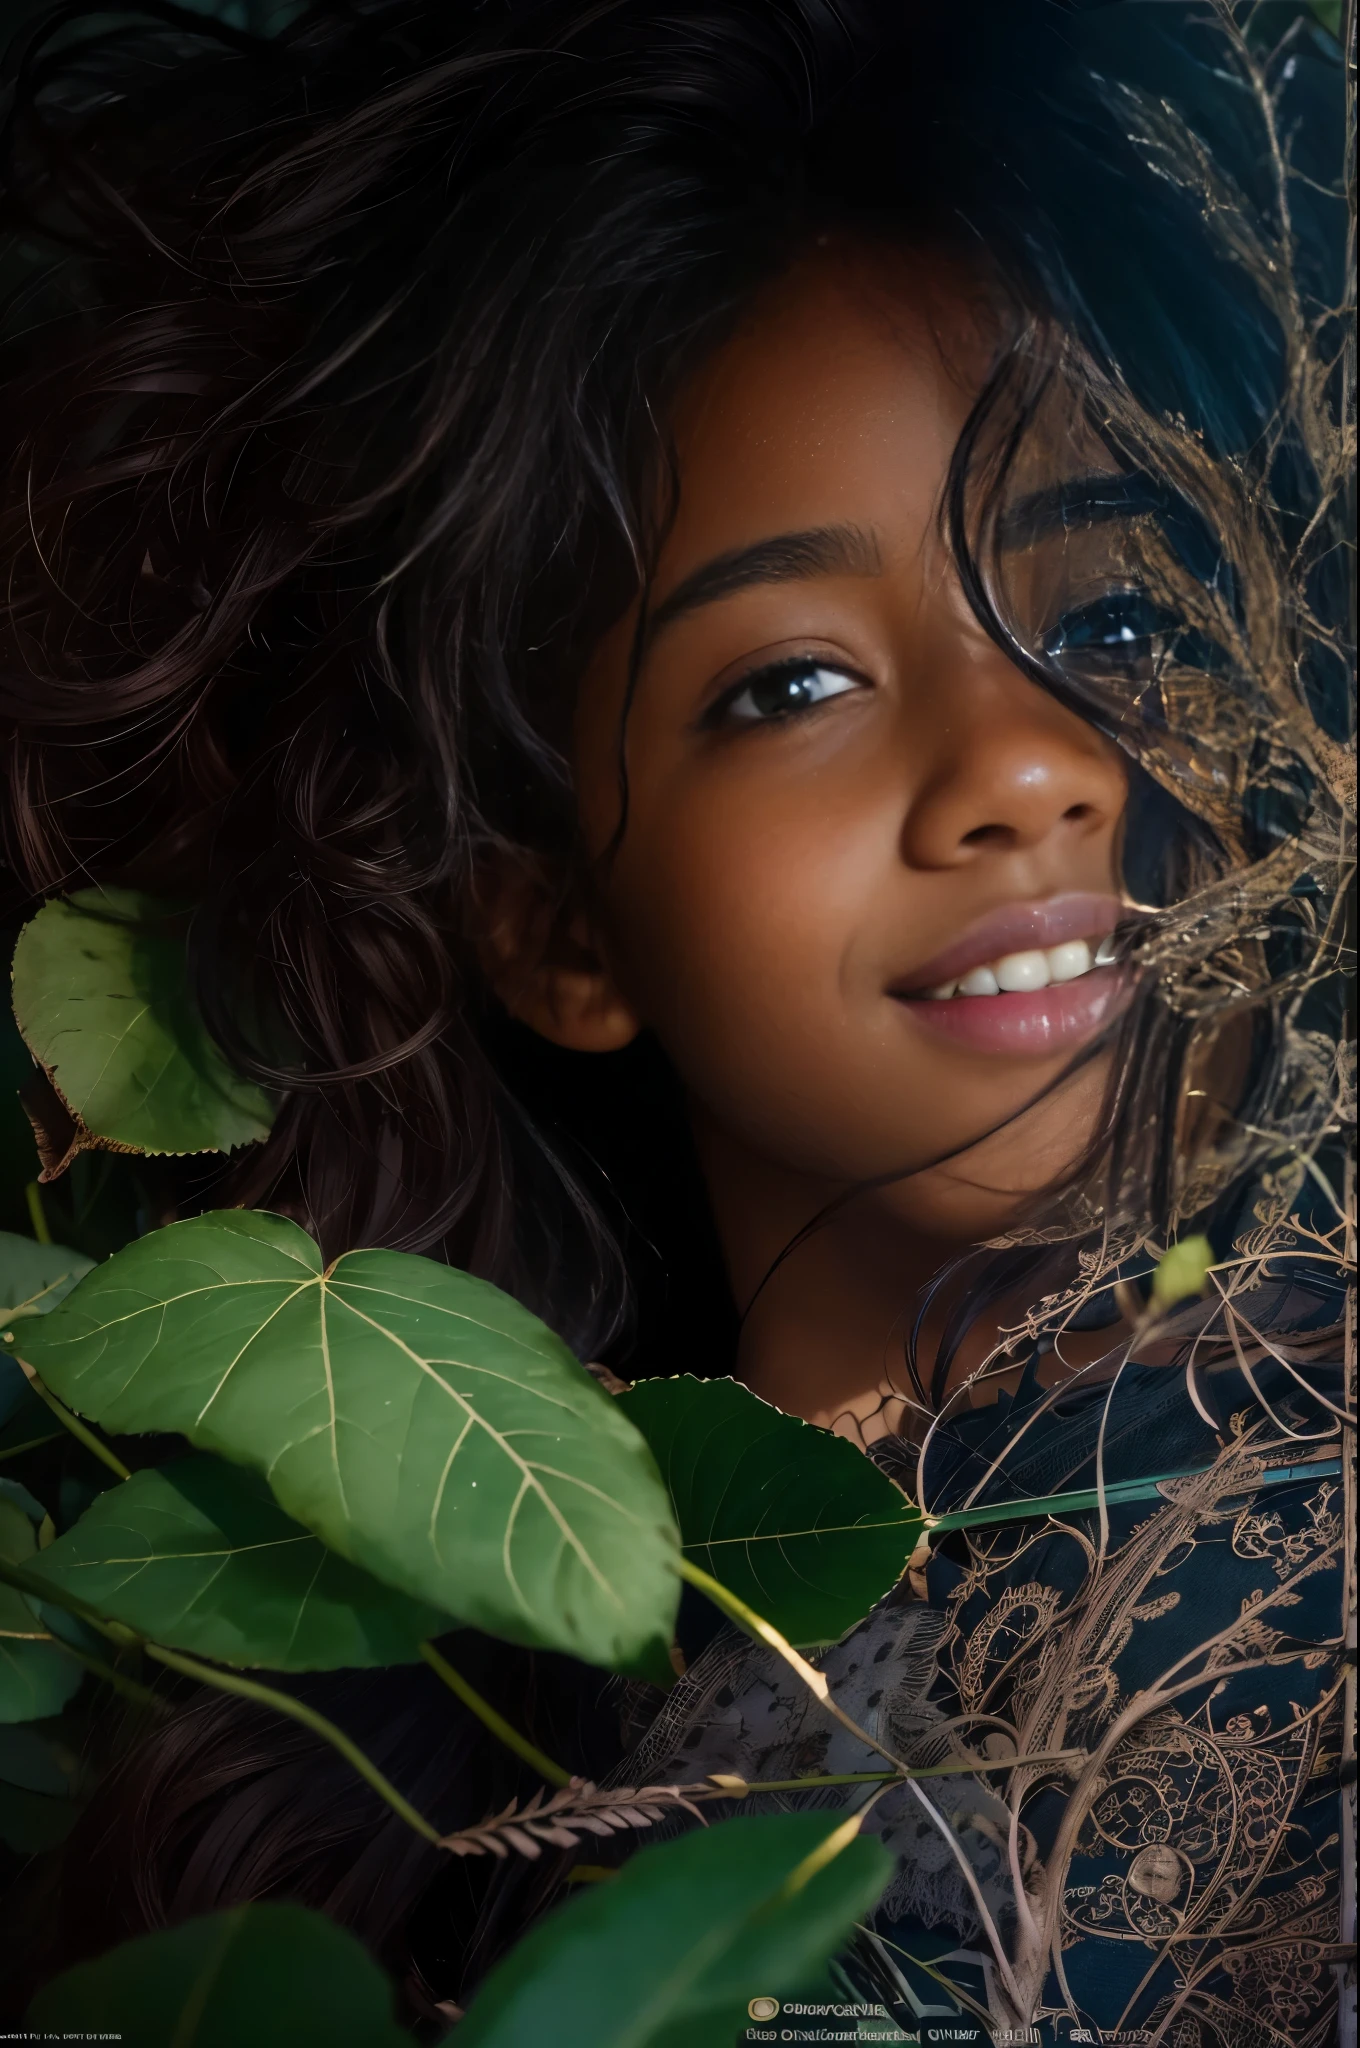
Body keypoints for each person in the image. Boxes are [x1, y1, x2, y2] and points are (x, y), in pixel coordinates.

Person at [0, 0, 1350, 2039]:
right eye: (789, 682)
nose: (1026, 762)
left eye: (1118, 624)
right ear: (555, 927)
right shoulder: (417, 1810)